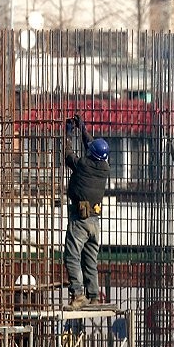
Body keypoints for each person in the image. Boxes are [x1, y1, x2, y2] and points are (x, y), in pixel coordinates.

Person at [62, 114, 111, 309]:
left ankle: (78, 294)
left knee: (72, 256)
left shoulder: (83, 165)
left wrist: (68, 134)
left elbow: (68, 156)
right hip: (95, 222)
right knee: (90, 259)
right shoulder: (104, 167)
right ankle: (94, 296)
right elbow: (91, 146)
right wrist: (83, 130)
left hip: (80, 220)